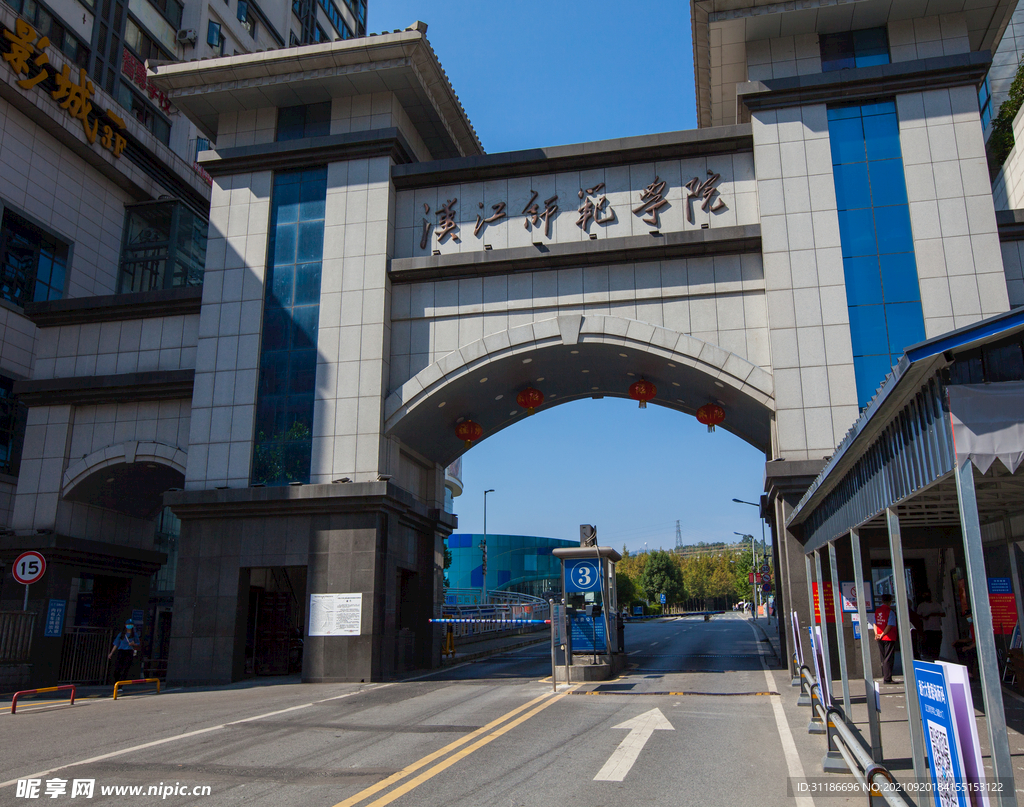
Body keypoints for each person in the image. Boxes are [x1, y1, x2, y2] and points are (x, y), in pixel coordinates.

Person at [874, 593, 898, 683]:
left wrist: (877, 634)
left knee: (883, 657)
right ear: (890, 602)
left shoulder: (877, 611)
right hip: (888, 637)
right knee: (888, 658)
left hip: (879, 637)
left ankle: (886, 676)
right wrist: (883, 634)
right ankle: (887, 678)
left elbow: (874, 623)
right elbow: (890, 625)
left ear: (882, 601)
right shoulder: (890, 611)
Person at [108, 618, 141, 684]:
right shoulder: (121, 634)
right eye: (128, 624)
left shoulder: (134, 634)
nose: (130, 626)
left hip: (129, 651)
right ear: (125, 625)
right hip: (121, 651)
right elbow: (116, 644)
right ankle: (116, 682)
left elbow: (138, 643)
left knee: (125, 668)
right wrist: (111, 653)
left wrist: (133, 644)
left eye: (131, 625)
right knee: (117, 668)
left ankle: (121, 684)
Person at [916, 590, 945, 659]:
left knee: (937, 647)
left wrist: (933, 614)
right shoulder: (921, 606)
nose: (926, 596)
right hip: (927, 629)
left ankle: (936, 659)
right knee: (929, 647)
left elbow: (943, 614)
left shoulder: (936, 605)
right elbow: (918, 616)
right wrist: (924, 617)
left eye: (927, 594)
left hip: (937, 629)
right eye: (924, 595)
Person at [953, 610, 977, 678]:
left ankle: (970, 673)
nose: (968, 618)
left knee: (969, 652)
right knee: (959, 646)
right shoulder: (971, 626)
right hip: (973, 645)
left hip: (979, 647)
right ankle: (963, 668)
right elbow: (969, 639)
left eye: (969, 616)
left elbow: (979, 641)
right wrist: (958, 641)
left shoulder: (978, 625)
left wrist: (969, 647)